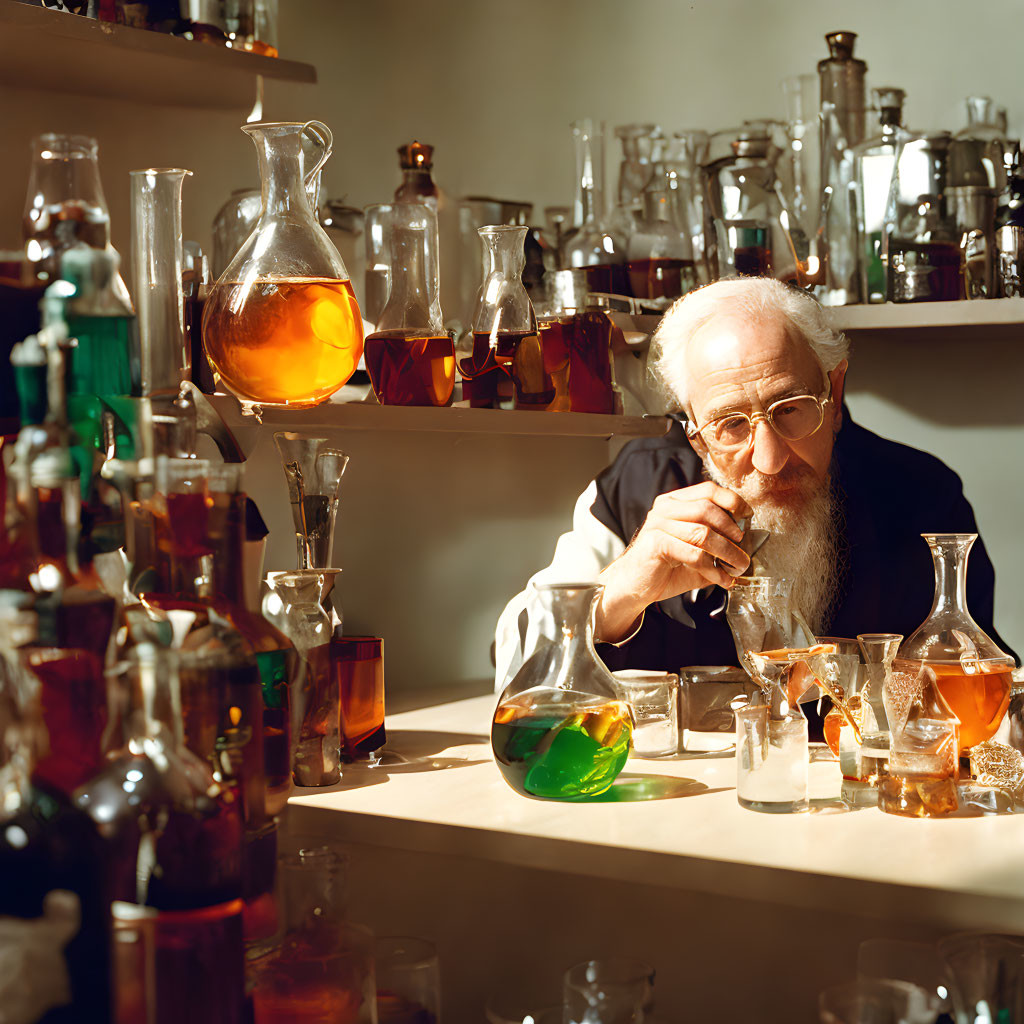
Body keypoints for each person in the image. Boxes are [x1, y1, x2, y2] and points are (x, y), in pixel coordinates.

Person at [495, 277, 1016, 703]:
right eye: (730, 424)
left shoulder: (924, 496)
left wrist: (864, 679)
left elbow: (980, 694)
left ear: (834, 394)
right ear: (695, 434)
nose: (769, 461)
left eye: (790, 409)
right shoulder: (633, 488)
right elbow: (513, 670)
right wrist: (620, 592)